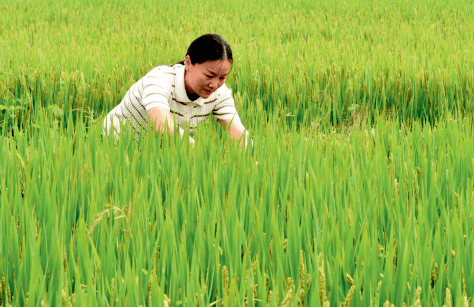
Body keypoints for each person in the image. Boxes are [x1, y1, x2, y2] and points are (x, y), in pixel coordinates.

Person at [103, 33, 249, 148]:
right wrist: (202, 154)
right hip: (116, 148)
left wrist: (250, 160)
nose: (214, 84)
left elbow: (238, 134)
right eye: (209, 76)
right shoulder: (159, 79)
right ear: (188, 63)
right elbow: (163, 126)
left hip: (157, 154)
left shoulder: (220, 93)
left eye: (222, 77)